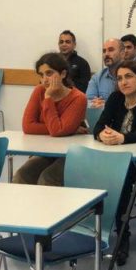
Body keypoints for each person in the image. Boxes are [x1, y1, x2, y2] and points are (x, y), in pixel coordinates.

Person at [93, 61, 136, 265]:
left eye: (128, 77)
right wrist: (103, 135)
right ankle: (91, 230)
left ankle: (122, 236)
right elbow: (98, 127)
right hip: (113, 157)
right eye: (119, 78)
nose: (123, 82)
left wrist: (122, 138)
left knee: (122, 177)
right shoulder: (115, 98)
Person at [14, 52, 87, 187]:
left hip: (71, 154)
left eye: (49, 73)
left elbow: (57, 131)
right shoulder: (39, 90)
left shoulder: (78, 98)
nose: (44, 80)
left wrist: (48, 98)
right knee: (21, 175)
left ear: (63, 74)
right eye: (41, 75)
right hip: (47, 151)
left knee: (47, 178)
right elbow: (28, 126)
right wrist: (67, 129)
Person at [86, 38, 124, 107]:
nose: (106, 54)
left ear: (122, 54)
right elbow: (88, 101)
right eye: (104, 51)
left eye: (111, 50)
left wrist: (106, 106)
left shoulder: (133, 75)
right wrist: (95, 104)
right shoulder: (97, 77)